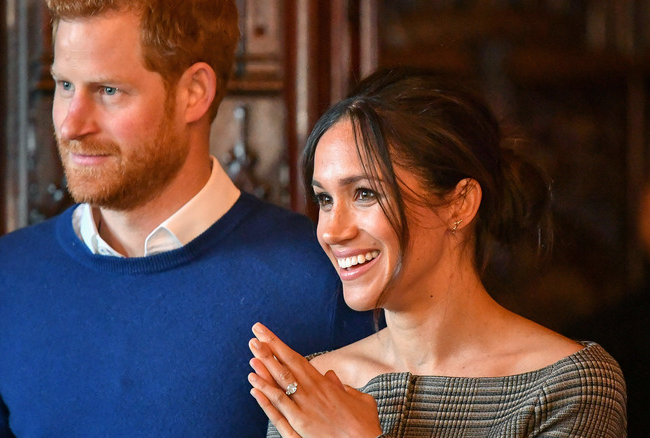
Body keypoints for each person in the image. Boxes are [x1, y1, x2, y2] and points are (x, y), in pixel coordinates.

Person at [0, 1, 371, 436]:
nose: (71, 124)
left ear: (194, 93)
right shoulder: (0, 283)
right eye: (64, 86)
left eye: (108, 91)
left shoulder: (324, 278)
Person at [247, 68, 628, 437]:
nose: (331, 230)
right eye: (325, 199)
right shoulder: (315, 388)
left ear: (459, 203)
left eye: (365, 194)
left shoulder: (567, 386)